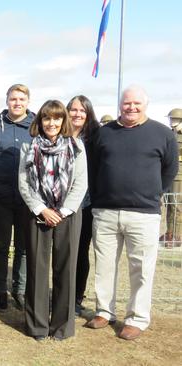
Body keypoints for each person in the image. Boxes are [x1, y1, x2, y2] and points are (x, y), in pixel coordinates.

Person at [85, 86, 178, 340]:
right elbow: (92, 169)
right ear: (120, 105)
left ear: (145, 104)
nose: (131, 108)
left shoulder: (162, 134)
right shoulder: (104, 134)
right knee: (104, 266)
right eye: (127, 103)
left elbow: (169, 170)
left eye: (136, 103)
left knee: (141, 269)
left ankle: (137, 318)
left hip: (144, 215)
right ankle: (105, 311)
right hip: (105, 212)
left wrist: (153, 193)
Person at [18, 100, 87, 340]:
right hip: (38, 213)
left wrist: (64, 210)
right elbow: (24, 183)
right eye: (47, 118)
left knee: (65, 269)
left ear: (63, 121)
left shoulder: (76, 146)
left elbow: (81, 183)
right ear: (40, 121)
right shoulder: (29, 147)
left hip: (68, 215)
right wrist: (41, 209)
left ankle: (62, 327)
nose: (52, 123)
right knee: (37, 269)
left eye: (57, 118)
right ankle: (37, 326)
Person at [0, 83, 35, 310]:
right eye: (13, 99)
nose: (17, 103)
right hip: (0, 197)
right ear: (7, 101)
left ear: (27, 102)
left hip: (28, 199)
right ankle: (0, 290)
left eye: (21, 99)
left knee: (24, 246)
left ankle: (20, 290)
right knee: (1, 246)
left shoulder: (36, 125)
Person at [66, 95, 100, 316]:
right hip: (61, 203)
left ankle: (77, 297)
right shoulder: (61, 135)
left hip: (86, 204)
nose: (77, 114)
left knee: (80, 252)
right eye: (73, 110)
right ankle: (63, 294)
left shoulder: (96, 138)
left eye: (82, 110)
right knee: (63, 252)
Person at [162, 108, 182, 245]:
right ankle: (170, 233)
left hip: (180, 175)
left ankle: (177, 235)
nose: (171, 121)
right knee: (169, 205)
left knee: (177, 205)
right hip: (168, 173)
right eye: (171, 118)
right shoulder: (169, 134)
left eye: (174, 119)